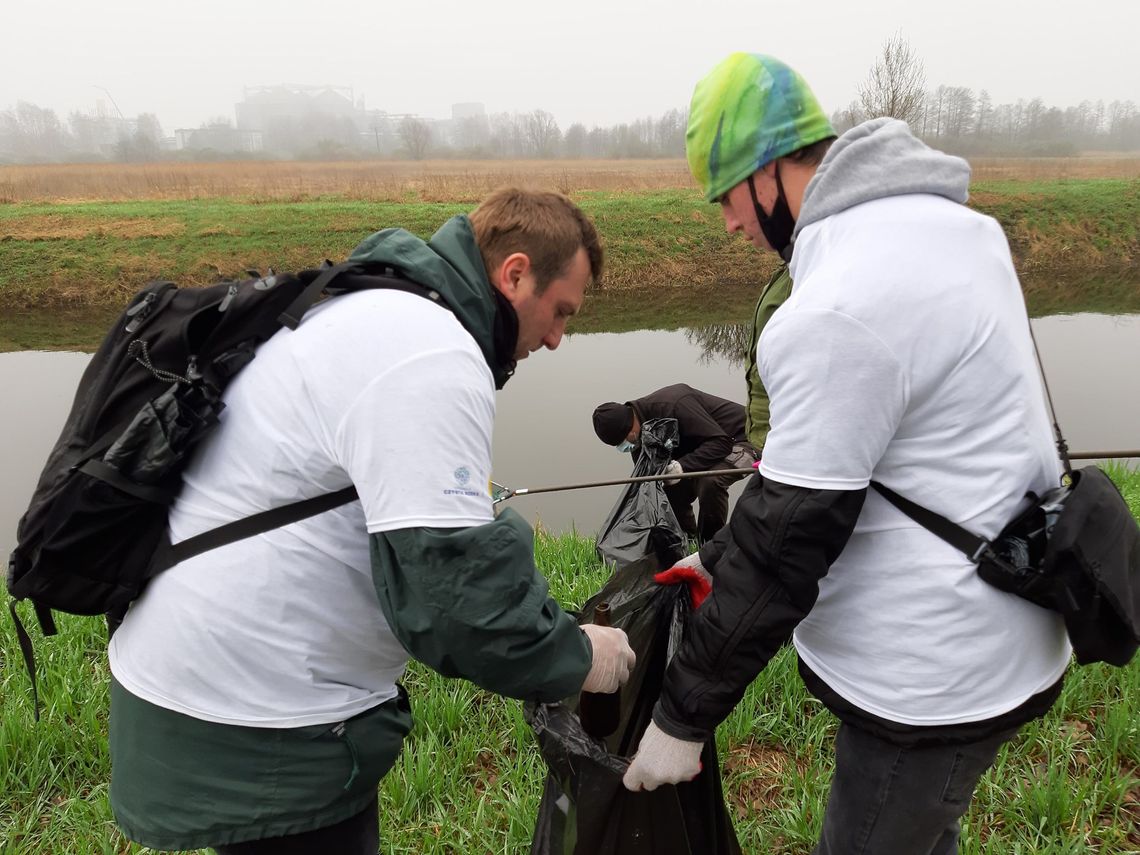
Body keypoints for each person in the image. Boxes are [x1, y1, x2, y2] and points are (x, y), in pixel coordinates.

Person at [623, 53, 1070, 855]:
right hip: (1005, 624)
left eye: (726, 195)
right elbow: (843, 468)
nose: (727, 222)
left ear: (769, 174)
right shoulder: (961, 232)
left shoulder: (837, 306)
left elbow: (791, 541)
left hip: (927, 677)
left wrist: (679, 719)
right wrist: (717, 557)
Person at [106, 188, 636, 854]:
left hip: (207, 682)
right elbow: (462, 606)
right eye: (560, 312)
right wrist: (583, 657)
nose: (557, 338)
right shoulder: (434, 355)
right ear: (515, 273)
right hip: (261, 715)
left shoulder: (380, 308)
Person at [592, 384, 757, 543]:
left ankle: (710, 545)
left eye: (625, 437)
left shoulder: (674, 403)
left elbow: (721, 443)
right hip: (703, 447)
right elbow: (649, 484)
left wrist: (681, 466)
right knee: (668, 489)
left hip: (743, 439)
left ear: (631, 422)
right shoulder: (637, 436)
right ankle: (687, 541)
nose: (626, 444)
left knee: (709, 482)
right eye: (619, 444)